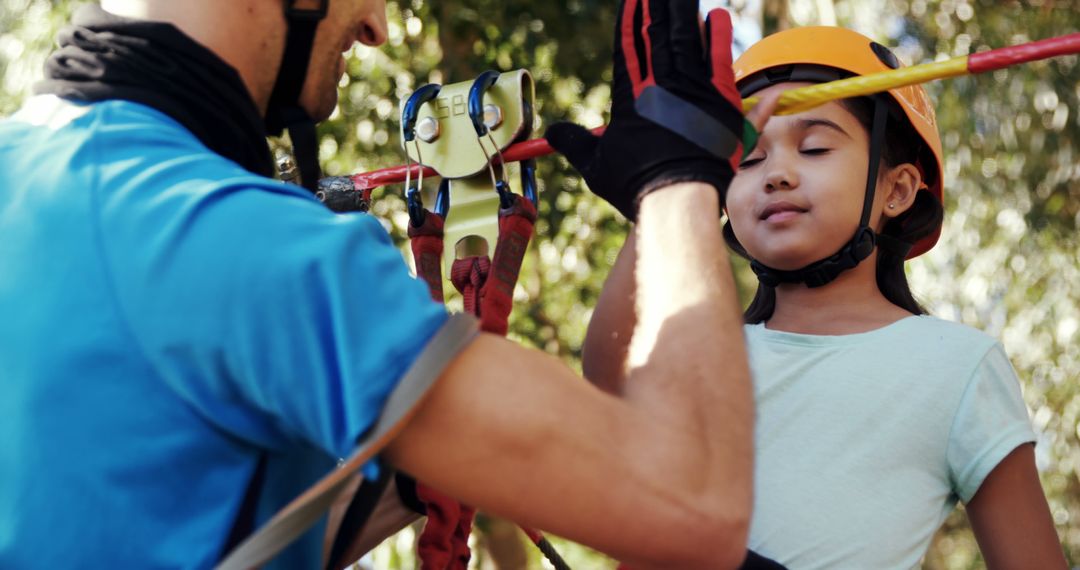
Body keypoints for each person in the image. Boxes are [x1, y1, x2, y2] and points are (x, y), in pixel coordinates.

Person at [0, 0, 782, 568]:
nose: (374, 24)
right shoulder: (252, 244)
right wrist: (680, 178)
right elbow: (696, 505)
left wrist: (427, 437)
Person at [571, 25, 1069, 569]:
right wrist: (663, 196)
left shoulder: (958, 367)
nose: (777, 174)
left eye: (814, 147)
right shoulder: (704, 349)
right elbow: (609, 379)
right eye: (748, 161)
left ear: (896, 190)